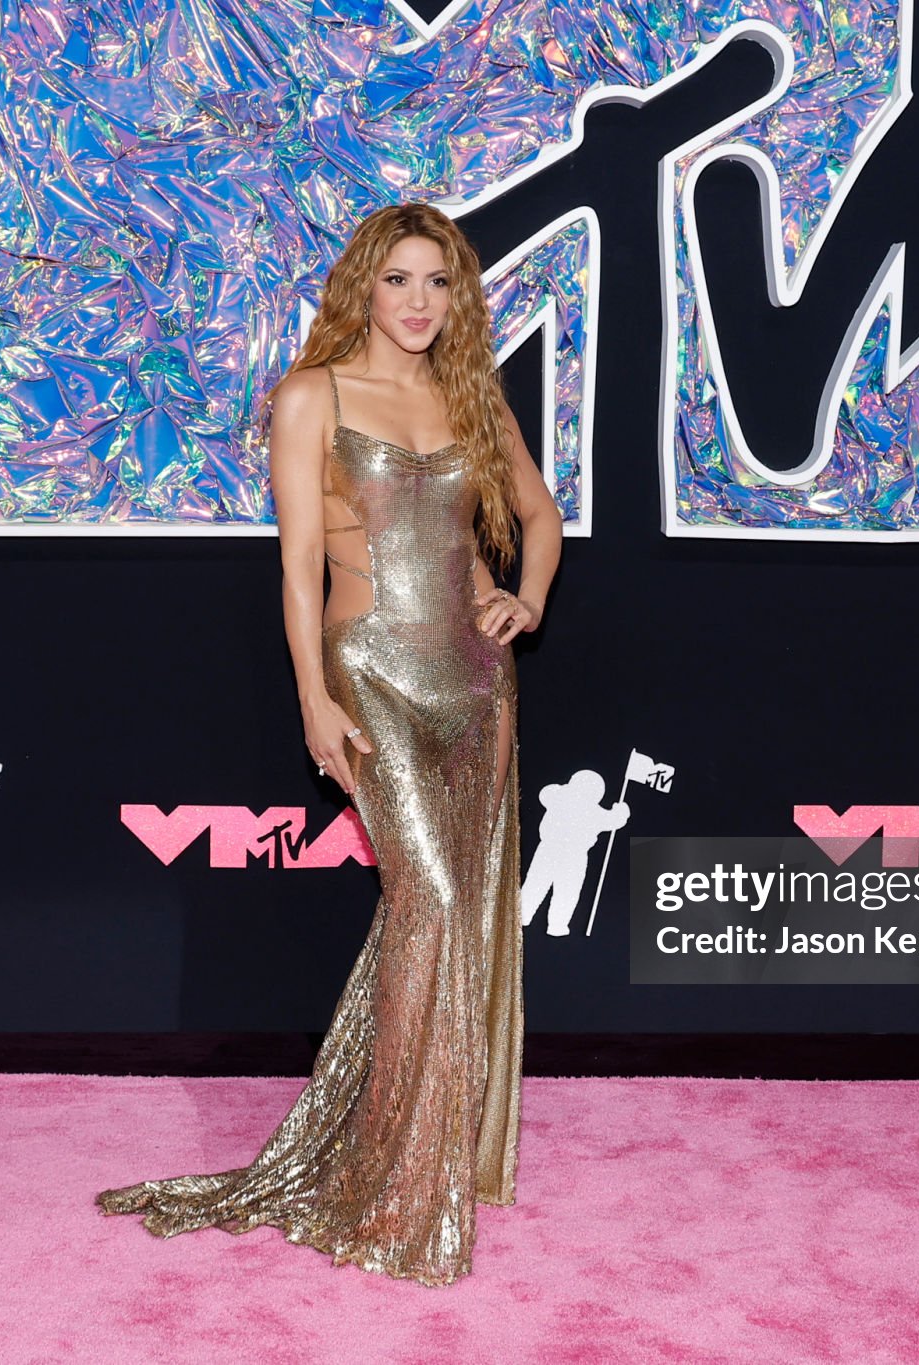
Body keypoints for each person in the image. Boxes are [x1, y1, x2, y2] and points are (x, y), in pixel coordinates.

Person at [96, 202, 564, 1286]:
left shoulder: (471, 393)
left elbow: (538, 518)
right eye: (398, 279)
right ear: (364, 287)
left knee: (462, 911)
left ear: (458, 296)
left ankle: (430, 1148)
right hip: (372, 678)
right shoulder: (313, 394)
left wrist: (527, 601)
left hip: (476, 683)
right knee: (429, 898)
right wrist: (313, 697)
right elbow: (297, 564)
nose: (418, 302)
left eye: (438, 282)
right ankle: (391, 1173)